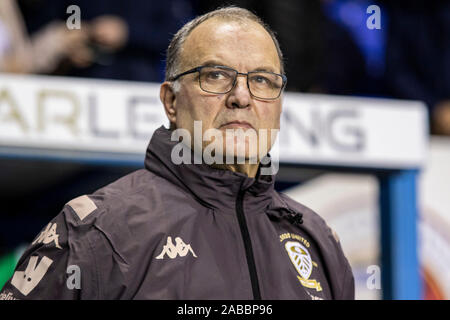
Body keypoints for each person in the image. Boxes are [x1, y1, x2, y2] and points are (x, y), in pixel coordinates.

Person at [0, 6, 354, 300]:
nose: (241, 97)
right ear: (171, 101)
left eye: (262, 80)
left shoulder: (317, 239)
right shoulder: (94, 233)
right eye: (215, 75)